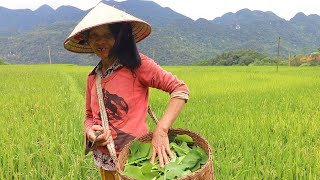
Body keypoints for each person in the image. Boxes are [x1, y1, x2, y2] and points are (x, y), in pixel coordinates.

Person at [64, 2, 189, 179]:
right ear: (87, 40)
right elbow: (89, 116)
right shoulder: (93, 77)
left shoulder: (137, 66)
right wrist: (91, 133)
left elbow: (180, 90)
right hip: (105, 160)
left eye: (108, 34)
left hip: (135, 160)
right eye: (94, 36)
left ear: (120, 36)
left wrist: (161, 130)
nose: (100, 41)